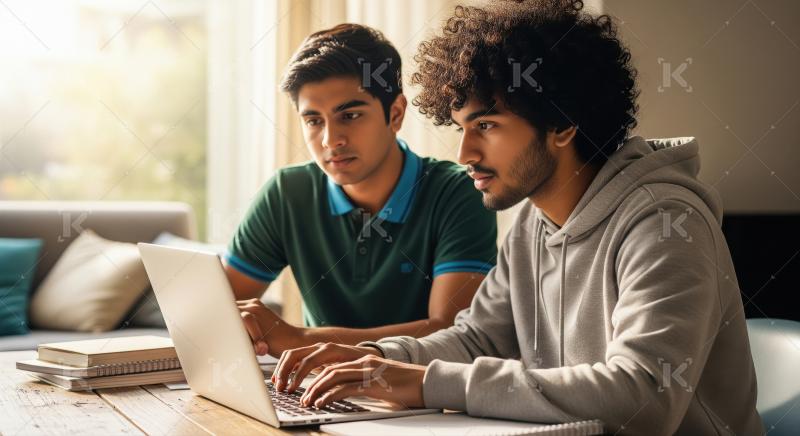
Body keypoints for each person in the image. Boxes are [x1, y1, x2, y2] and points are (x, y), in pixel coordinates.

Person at [268, 2, 764, 434]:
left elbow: (644, 398)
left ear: (562, 123)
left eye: (486, 126)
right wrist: (379, 359)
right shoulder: (534, 219)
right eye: (462, 128)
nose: (464, 152)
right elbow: (481, 338)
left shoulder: (664, 222)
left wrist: (428, 383)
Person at [224, 23, 497, 357]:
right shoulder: (287, 193)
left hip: (421, 398)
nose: (330, 140)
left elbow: (451, 331)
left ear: (395, 114)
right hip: (316, 393)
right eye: (313, 121)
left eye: (350, 115)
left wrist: (300, 340)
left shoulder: (457, 192)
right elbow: (221, 310)